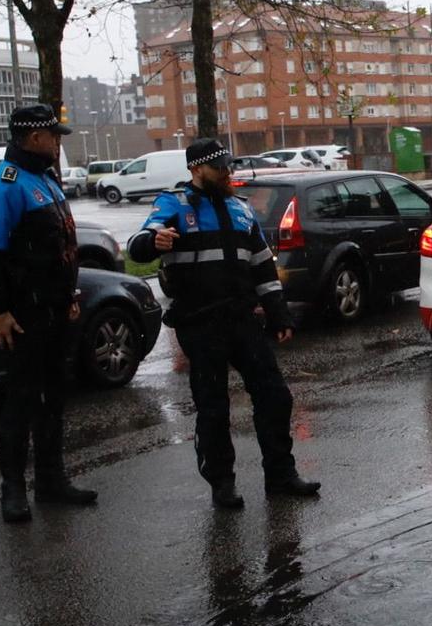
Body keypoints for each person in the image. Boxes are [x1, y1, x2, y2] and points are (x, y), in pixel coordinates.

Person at [127, 139, 321, 509]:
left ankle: (281, 474)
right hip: (201, 323)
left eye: (229, 167)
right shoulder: (173, 204)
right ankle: (222, 483)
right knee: (213, 406)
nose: (227, 174)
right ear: (197, 169)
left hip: (242, 319)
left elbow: (263, 265)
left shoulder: (239, 208)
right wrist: (155, 241)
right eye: (220, 168)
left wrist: (278, 312)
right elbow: (139, 244)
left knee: (275, 396)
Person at [0, 102, 98, 522]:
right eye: (54, 136)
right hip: (23, 315)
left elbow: (58, 249)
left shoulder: (45, 181)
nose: (59, 143)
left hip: (54, 311)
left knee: (53, 399)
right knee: (21, 402)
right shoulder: (5, 185)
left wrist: (69, 294)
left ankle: (51, 480)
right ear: (36, 138)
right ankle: (13, 490)